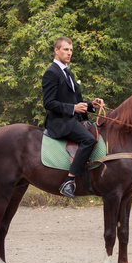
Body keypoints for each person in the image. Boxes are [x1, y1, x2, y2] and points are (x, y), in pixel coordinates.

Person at [42, 36, 105, 198]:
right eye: (65, 49)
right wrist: (73, 108)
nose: (69, 53)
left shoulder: (68, 73)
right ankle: (69, 181)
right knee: (89, 139)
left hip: (71, 118)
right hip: (59, 121)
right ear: (56, 51)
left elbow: (76, 102)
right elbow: (48, 103)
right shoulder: (51, 73)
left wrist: (91, 105)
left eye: (70, 50)